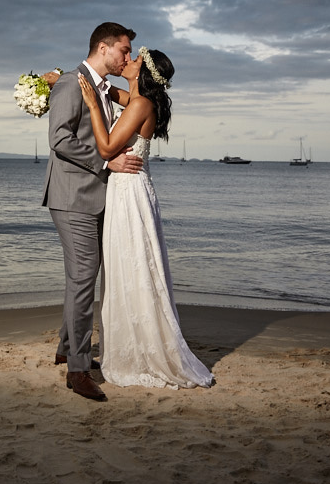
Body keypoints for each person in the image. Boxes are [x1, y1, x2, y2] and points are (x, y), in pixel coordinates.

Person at [77, 46, 214, 389]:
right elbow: (115, 92)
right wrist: (76, 85)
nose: (128, 61)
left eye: (135, 59)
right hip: (136, 190)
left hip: (128, 192)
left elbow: (108, 148)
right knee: (135, 263)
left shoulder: (139, 105)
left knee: (130, 263)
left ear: (143, 72)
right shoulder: (137, 100)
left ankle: (138, 352)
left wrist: (93, 106)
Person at [41, 22, 144, 402]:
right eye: (123, 50)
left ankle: (67, 347)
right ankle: (79, 370)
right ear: (103, 48)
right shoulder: (71, 83)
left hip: (93, 197)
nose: (127, 58)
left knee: (81, 277)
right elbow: (59, 139)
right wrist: (107, 163)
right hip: (72, 197)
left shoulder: (96, 86)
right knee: (85, 276)